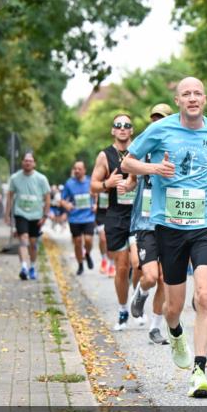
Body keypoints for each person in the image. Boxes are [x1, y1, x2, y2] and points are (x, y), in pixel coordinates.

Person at [121, 76, 207, 398]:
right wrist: (155, 170)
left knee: (205, 293)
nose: (193, 98)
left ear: (205, 98)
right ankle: (174, 332)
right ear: (178, 100)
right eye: (186, 94)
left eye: (198, 93)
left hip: (206, 223)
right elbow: (128, 161)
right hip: (169, 227)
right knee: (172, 307)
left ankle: (199, 371)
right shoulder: (160, 129)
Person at [91, 113, 139, 330]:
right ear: (113, 130)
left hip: (139, 215)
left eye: (126, 125)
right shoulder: (105, 156)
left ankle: (138, 298)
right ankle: (123, 309)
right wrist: (107, 183)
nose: (122, 128)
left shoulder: (139, 151)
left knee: (138, 265)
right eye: (118, 125)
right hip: (116, 217)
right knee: (122, 267)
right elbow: (93, 185)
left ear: (131, 130)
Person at [128, 149, 170, 346]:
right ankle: (141, 293)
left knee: (164, 279)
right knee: (151, 277)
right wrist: (125, 185)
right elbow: (130, 178)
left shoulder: (177, 154)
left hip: (170, 225)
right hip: (145, 225)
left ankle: (155, 327)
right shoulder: (142, 154)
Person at [5, 152, 51, 280]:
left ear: (34, 163)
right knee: (23, 239)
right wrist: (7, 214)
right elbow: (10, 196)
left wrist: (45, 216)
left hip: (36, 215)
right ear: (22, 162)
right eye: (25, 160)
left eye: (30, 161)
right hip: (21, 213)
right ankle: (24, 267)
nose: (27, 162)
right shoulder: (15, 178)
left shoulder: (41, 179)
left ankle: (32, 266)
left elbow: (47, 198)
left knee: (32, 243)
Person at [60, 161, 96, 276]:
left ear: (84, 170)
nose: (77, 171)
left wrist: (96, 204)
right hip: (74, 218)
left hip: (88, 216)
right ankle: (80, 264)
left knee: (89, 240)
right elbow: (62, 199)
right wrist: (66, 205)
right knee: (78, 242)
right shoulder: (69, 183)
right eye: (75, 168)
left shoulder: (90, 181)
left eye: (79, 169)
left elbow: (97, 194)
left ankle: (88, 254)